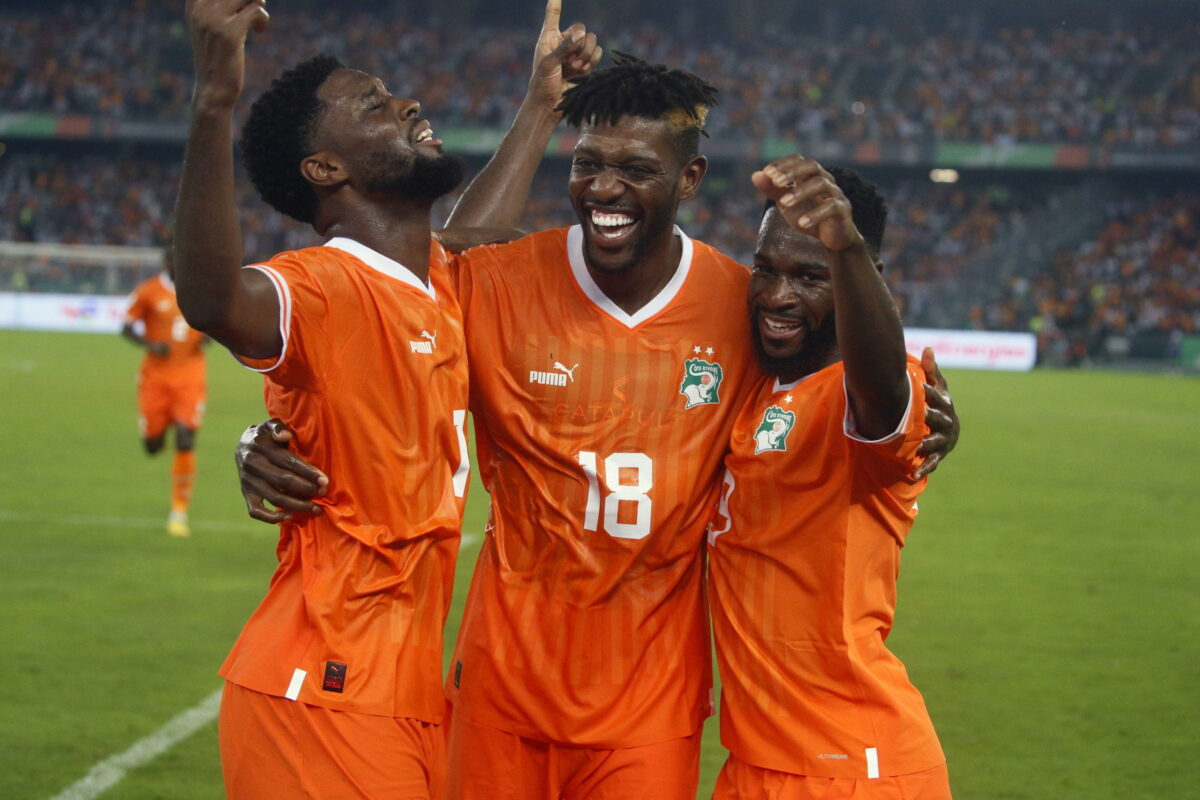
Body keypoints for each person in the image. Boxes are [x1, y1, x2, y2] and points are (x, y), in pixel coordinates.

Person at [235, 54, 961, 800]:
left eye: (636, 168)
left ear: (688, 178)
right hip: (500, 690)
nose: (606, 187)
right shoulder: (499, 280)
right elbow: (385, 315)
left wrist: (918, 412)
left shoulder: (742, 307)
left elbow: (855, 384)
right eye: (589, 164)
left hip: (649, 711)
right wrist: (271, 436)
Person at [173, 0, 598, 796]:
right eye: (373, 104)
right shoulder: (323, 286)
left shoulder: (433, 277)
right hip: (321, 688)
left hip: (395, 690)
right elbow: (214, 300)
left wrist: (544, 102)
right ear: (326, 169)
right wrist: (213, 102)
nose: (407, 103)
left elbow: (481, 233)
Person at [707, 159, 953, 799]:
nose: (777, 295)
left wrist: (846, 250)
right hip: (756, 758)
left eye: (811, 276)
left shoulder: (863, 397)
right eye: (766, 269)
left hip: (851, 766)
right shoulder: (757, 384)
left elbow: (883, 391)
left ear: (860, 278)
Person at [120, 250, 207, 538]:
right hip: (155, 378)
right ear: (167, 263)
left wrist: (211, 334)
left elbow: (217, 321)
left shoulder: (200, 290)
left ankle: (179, 512)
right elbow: (126, 328)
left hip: (190, 375)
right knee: (153, 445)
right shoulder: (148, 291)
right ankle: (154, 429)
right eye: (174, 260)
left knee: (186, 437)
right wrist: (151, 345)